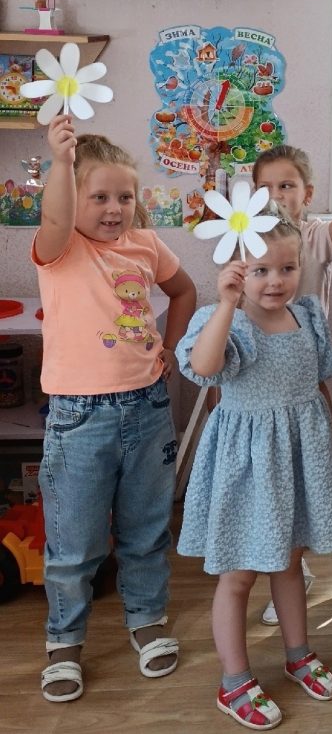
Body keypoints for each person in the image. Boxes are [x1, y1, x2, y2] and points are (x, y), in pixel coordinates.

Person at [33, 116, 197, 703]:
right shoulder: (61, 249)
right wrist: (61, 162)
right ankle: (64, 641)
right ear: (73, 198)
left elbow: (184, 291)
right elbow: (56, 216)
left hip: (148, 408)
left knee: (146, 530)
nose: (114, 208)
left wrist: (171, 347)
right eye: (99, 196)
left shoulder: (145, 245)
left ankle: (146, 619)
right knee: (75, 544)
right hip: (78, 419)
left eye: (125, 197)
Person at [177, 216, 332, 730]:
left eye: (287, 268)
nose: (275, 281)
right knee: (238, 574)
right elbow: (204, 368)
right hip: (246, 466)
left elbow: (318, 384)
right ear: (237, 270)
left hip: (297, 459)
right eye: (260, 270)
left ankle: (298, 653)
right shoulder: (225, 321)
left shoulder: (308, 315)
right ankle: (234, 680)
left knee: (290, 562)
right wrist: (226, 305)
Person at [251, 143, 332, 626]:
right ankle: (282, 567)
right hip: (258, 368)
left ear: (307, 194)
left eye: (286, 185)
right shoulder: (247, 236)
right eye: (265, 187)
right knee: (270, 476)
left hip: (305, 362)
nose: (276, 194)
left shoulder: (315, 235)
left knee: (301, 471)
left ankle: (294, 566)